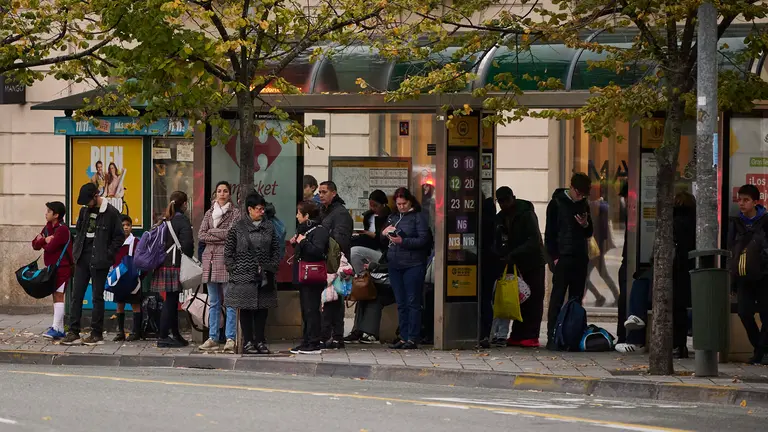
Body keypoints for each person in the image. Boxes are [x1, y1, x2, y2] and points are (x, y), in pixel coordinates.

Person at [61, 183, 124, 346]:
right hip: (83, 256)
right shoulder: (84, 211)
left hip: (100, 258)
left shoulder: (110, 212)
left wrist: (108, 254)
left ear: (96, 196)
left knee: (97, 297)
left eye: (88, 201)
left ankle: (96, 333)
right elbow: (80, 231)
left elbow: (119, 237)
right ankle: (73, 332)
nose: (86, 204)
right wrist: (76, 251)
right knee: (77, 295)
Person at [225, 192, 280, 354]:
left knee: (262, 310)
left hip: (264, 275)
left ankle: (260, 341)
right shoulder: (238, 227)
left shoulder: (269, 227)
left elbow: (276, 248)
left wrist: (272, 265)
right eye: (258, 209)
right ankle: (248, 341)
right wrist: (233, 268)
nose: (262, 212)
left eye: (263, 209)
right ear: (250, 209)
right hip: (243, 275)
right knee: (246, 309)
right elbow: (228, 250)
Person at [544, 172, 593, 350]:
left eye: (583, 195)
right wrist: (554, 257)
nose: (580, 197)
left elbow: (589, 232)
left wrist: (585, 224)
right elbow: (549, 233)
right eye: (578, 193)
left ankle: (572, 335)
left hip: (579, 256)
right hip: (562, 257)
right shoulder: (556, 203)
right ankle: (552, 336)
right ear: (571, 188)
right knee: (557, 297)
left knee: (576, 298)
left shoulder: (583, 204)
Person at [493, 187, 546, 348]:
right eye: (500, 202)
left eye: (506, 201)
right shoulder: (501, 217)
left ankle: (530, 335)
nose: (503, 205)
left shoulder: (526, 214)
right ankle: (517, 334)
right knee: (518, 300)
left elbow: (533, 240)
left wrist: (513, 253)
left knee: (534, 299)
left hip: (532, 262)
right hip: (516, 262)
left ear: (512, 198)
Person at [383, 187, 431, 349]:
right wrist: (385, 234)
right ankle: (403, 336)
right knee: (401, 302)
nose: (401, 207)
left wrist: (403, 241)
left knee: (412, 301)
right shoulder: (393, 217)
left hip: (413, 264)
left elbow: (423, 240)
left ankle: (413, 337)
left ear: (410, 202)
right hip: (395, 263)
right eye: (398, 204)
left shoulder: (418, 217)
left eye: (404, 203)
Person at [198, 181, 241, 353]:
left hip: (226, 260)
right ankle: (213, 337)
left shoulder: (235, 213)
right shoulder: (209, 213)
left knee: (230, 302)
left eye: (225, 191)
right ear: (215, 194)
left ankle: (230, 338)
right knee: (214, 302)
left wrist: (212, 233)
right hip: (209, 260)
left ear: (229, 194)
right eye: (219, 191)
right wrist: (218, 235)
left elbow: (233, 234)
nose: (222, 194)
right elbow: (201, 234)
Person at [728, 184, 768, 365]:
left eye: (746, 200)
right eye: (739, 200)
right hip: (744, 275)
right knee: (744, 313)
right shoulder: (736, 223)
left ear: (755, 202)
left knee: (766, 314)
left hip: (764, 275)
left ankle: (762, 351)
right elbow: (731, 250)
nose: (742, 204)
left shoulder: (766, 221)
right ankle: (760, 348)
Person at [151, 191, 194, 348]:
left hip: (163, 264)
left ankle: (175, 335)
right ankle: (163, 336)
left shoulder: (164, 219)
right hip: (174, 265)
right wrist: (189, 257)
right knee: (171, 301)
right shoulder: (181, 220)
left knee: (171, 299)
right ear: (184, 204)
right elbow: (188, 245)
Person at [289, 200, 330, 355]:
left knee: (312, 309)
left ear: (306, 215)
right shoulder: (306, 230)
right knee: (306, 310)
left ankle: (314, 342)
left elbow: (318, 251)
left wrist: (303, 242)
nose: (296, 216)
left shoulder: (319, 230)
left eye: (299, 213)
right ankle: (306, 340)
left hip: (313, 276)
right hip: (304, 275)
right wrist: (297, 243)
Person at [318, 180, 354, 348]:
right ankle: (327, 334)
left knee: (334, 300)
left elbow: (340, 240)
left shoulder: (340, 213)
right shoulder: (323, 211)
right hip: (326, 262)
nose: (321, 194)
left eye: (324, 191)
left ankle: (336, 336)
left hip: (337, 263)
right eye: (320, 191)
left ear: (334, 193)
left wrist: (322, 241)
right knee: (327, 299)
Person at [32, 201, 73, 340]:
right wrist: (45, 240)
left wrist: (43, 241)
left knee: (59, 295)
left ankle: (56, 328)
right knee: (55, 296)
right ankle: (59, 328)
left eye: (49, 211)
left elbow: (51, 247)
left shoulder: (62, 229)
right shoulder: (48, 227)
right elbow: (34, 244)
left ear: (56, 215)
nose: (46, 213)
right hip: (51, 268)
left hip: (62, 267)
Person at [585, 185, 619, 307]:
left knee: (587, 275)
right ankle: (602, 297)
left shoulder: (600, 207)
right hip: (595, 247)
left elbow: (603, 231)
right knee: (597, 274)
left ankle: (601, 297)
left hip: (595, 248)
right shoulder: (594, 206)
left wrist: (600, 248)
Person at [672, 191, 696, 359]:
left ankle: (679, 346)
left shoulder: (673, 222)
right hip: (696, 267)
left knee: (678, 308)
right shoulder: (699, 222)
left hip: (677, 268)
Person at [112, 215, 143, 342]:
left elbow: (141, 259)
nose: (125, 228)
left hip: (132, 278)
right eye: (123, 225)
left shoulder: (135, 242)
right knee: (120, 304)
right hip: (119, 278)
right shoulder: (116, 241)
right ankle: (120, 331)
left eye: (128, 225)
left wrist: (139, 275)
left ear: (131, 227)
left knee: (135, 304)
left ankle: (136, 331)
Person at [479, 192, 503, 348]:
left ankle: (483, 333)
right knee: (487, 300)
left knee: (483, 300)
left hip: (483, 264)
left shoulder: (482, 223)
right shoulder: (497, 223)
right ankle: (486, 334)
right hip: (492, 266)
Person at [349, 190, 391, 274]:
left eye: (375, 206)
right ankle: (359, 276)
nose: (373, 208)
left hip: (382, 251)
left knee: (354, 251)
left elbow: (386, 240)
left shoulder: (389, 217)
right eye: (371, 205)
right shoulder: (368, 216)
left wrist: (373, 235)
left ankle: (362, 277)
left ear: (383, 204)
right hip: (369, 244)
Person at [616, 182, 629, 344]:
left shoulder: (632, 214)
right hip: (627, 260)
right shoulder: (630, 214)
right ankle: (622, 335)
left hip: (628, 262)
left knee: (624, 298)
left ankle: (623, 335)